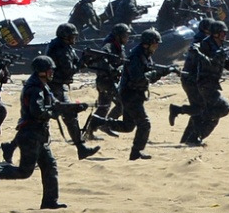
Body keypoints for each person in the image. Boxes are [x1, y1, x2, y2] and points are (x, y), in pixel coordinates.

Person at [0, 56, 87, 210]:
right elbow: (38, 111)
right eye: (50, 70)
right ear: (42, 71)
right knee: (24, 171)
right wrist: (54, 113)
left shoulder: (42, 85)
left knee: (50, 167)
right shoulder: (35, 89)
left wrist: (71, 108)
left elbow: (54, 104)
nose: (52, 73)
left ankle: (50, 202)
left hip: (39, 135)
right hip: (30, 135)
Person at [91, 30, 177, 160]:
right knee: (144, 124)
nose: (157, 46)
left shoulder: (145, 54)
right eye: (155, 44)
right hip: (130, 95)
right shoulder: (135, 57)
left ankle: (100, 121)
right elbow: (139, 79)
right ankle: (136, 152)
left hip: (135, 94)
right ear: (147, 44)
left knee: (128, 126)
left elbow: (150, 73)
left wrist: (165, 71)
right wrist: (159, 73)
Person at [171, 20, 229, 146]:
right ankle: (191, 135)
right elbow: (207, 62)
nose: (224, 36)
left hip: (199, 81)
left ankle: (188, 138)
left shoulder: (214, 43)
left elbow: (227, 64)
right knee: (210, 109)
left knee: (203, 110)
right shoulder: (203, 43)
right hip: (195, 81)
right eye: (222, 33)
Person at [43, 23, 100, 160]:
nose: (74, 39)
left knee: (69, 116)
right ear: (65, 36)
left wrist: (88, 59)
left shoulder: (66, 47)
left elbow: (75, 63)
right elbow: (69, 70)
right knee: (49, 118)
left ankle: (81, 148)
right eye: (72, 36)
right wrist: (82, 61)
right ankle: (80, 148)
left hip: (58, 85)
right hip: (53, 87)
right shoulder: (59, 49)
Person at [81, 23, 129, 140]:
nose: (127, 38)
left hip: (107, 81)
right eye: (125, 35)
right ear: (118, 36)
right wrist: (114, 70)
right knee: (122, 104)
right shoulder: (108, 46)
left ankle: (90, 131)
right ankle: (106, 125)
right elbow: (103, 61)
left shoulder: (118, 46)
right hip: (106, 81)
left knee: (104, 107)